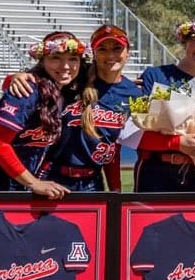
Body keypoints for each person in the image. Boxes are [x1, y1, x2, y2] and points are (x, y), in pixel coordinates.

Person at [0, 31, 83, 197]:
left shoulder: (69, 93)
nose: (65, 66)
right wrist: (34, 183)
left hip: (19, 182)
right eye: (56, 58)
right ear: (42, 60)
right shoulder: (27, 89)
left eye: (73, 58)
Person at [132, 21, 195, 205]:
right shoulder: (154, 76)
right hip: (156, 175)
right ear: (185, 41)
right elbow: (133, 134)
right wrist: (178, 143)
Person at [47, 25, 139, 193]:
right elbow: (28, 84)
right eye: (102, 49)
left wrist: (115, 190)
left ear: (128, 52)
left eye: (117, 48)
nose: (110, 55)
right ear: (94, 53)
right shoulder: (74, 79)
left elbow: (115, 146)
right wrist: (18, 77)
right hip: (52, 178)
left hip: (92, 184)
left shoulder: (135, 94)